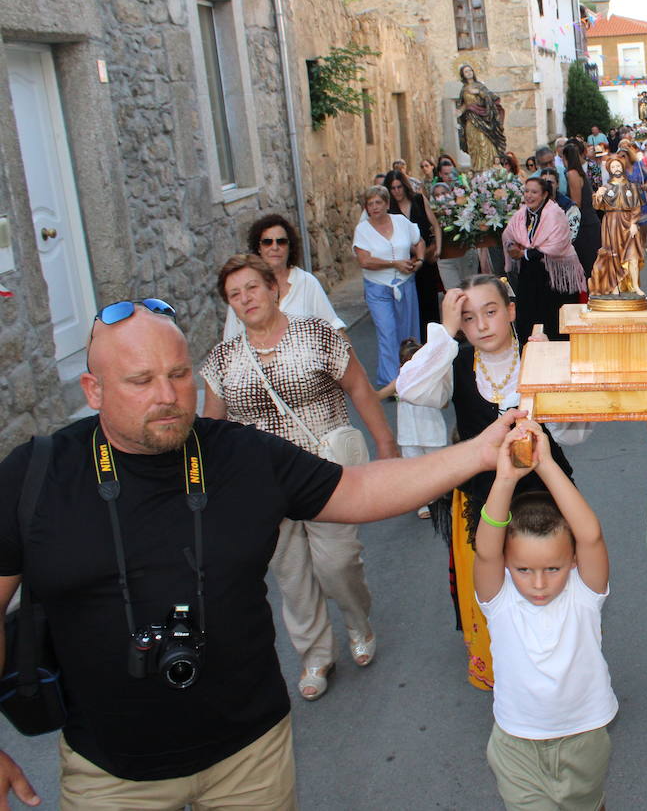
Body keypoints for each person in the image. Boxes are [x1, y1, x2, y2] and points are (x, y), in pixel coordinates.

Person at [0, 300, 527, 809]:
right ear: (93, 390)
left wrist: (478, 452)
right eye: (141, 381)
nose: (168, 395)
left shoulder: (239, 452)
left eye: (180, 374)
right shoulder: (36, 476)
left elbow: (358, 489)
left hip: (250, 758)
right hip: (108, 773)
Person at [202, 254, 397, 701]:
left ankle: (357, 619)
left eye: (251, 287)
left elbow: (359, 388)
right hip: (262, 486)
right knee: (291, 576)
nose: (245, 299)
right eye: (234, 295)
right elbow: (213, 430)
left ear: (273, 287)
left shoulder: (316, 335)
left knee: (337, 563)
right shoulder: (223, 360)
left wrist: (385, 445)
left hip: (325, 474)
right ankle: (315, 655)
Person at [395, 279, 589, 691]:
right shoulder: (456, 364)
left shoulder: (540, 356)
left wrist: (553, 403)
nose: (481, 325)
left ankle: (557, 670)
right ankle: (510, 677)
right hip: (484, 500)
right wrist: (444, 333)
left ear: (511, 311)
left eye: (490, 311)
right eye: (468, 318)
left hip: (546, 499)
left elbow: (575, 433)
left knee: (550, 584)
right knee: (495, 591)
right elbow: (410, 389)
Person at [475, 422, 616, 811]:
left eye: (552, 569)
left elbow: (590, 535)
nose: (538, 583)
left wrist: (546, 464)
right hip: (517, 745)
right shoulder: (499, 600)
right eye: (523, 570)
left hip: (584, 737)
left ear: (572, 561)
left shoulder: (584, 595)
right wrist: (505, 478)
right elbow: (486, 550)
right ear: (507, 565)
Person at [224, 214, 344, 339]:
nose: (274, 247)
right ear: (258, 248)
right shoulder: (242, 288)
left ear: (289, 247)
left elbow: (334, 328)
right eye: (267, 242)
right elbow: (230, 339)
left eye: (281, 242)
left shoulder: (307, 283)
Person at [353, 186, 424, 385]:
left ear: (387, 204)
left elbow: (419, 241)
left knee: (409, 332)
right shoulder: (362, 230)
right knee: (388, 331)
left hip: (405, 284)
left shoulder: (401, 222)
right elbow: (364, 261)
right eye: (370, 204)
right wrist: (394, 263)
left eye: (378, 202)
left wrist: (419, 260)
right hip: (378, 288)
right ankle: (391, 381)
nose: (374, 207)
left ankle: (412, 376)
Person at [503, 176, 585, 343]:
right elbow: (508, 233)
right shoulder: (521, 214)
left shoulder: (555, 213)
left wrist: (525, 254)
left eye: (534, 192)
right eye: (526, 191)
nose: (529, 196)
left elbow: (557, 245)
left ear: (544, 195)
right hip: (530, 274)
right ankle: (528, 356)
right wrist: (511, 245)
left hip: (555, 277)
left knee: (553, 322)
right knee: (527, 320)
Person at [376, 337, 448, 520]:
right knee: (414, 470)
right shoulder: (399, 382)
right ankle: (422, 503)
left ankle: (442, 499)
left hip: (432, 433)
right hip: (409, 436)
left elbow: (445, 403)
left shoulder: (431, 381)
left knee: (438, 467)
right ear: (401, 366)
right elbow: (377, 396)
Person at [385, 171, 444, 331]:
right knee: (412, 307)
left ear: (404, 186)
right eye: (392, 188)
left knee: (430, 302)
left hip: (427, 260)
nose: (397, 191)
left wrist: (437, 248)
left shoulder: (418, 200)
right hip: (406, 262)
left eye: (399, 187)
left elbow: (435, 225)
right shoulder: (389, 210)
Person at [587, 154, 646, 296]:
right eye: (613, 167)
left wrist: (633, 223)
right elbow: (597, 205)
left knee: (633, 256)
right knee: (613, 256)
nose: (616, 168)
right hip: (612, 223)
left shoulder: (631, 187)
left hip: (628, 222)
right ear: (609, 170)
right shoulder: (606, 187)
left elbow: (637, 207)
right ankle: (615, 286)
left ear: (622, 167)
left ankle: (635, 286)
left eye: (618, 166)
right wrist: (599, 195)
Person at [562, 141, 602, 278]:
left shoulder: (572, 174)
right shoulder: (579, 173)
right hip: (589, 222)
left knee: (587, 266)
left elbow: (576, 204)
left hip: (585, 225)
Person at [457, 63, 507, 171]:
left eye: (470, 70)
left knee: (484, 141)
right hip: (470, 118)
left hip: (483, 119)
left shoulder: (480, 86)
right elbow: (463, 104)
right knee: (474, 142)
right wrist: (460, 111)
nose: (469, 73)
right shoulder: (464, 89)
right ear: (463, 75)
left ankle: (488, 167)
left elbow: (492, 98)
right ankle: (476, 167)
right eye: (466, 72)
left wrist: (479, 92)